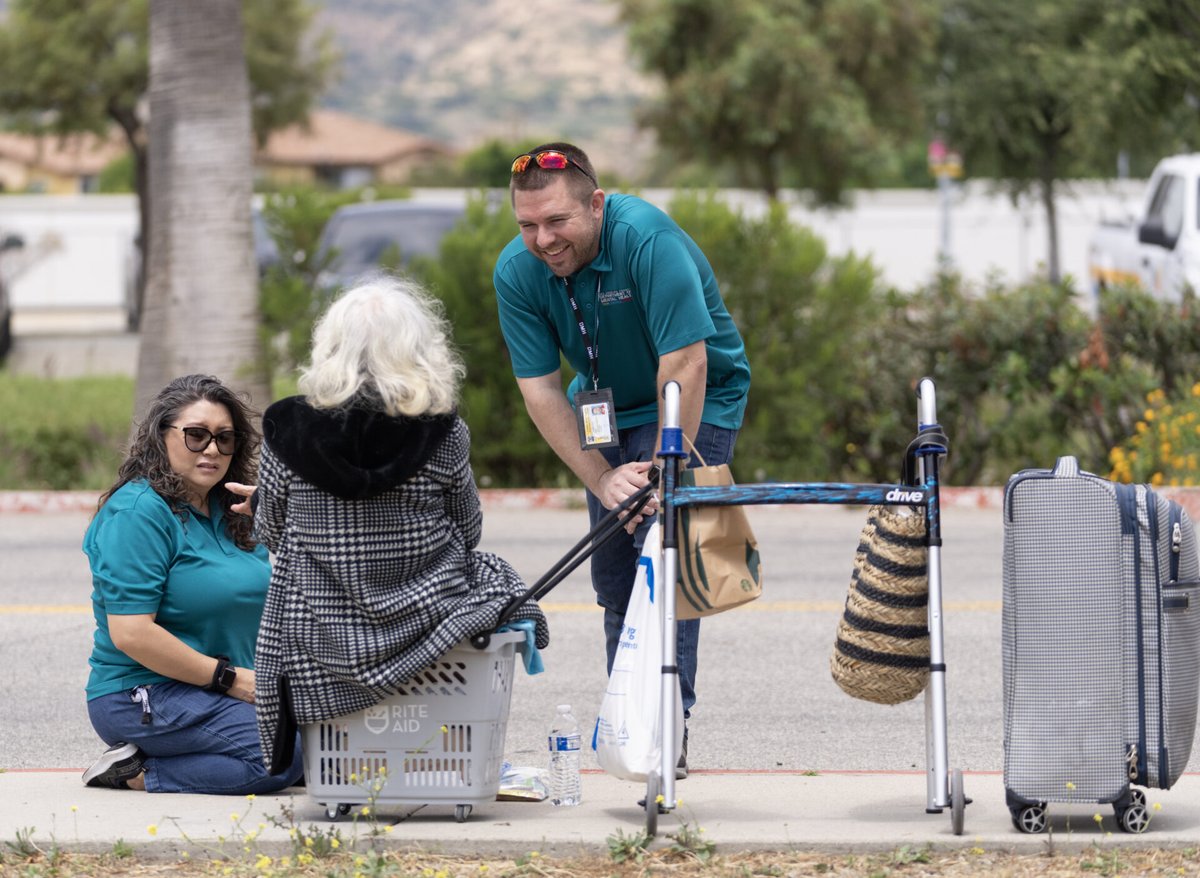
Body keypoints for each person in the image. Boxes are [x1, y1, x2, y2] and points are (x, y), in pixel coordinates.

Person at [493, 142, 751, 778]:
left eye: (558, 221)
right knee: (615, 573)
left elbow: (686, 362)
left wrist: (665, 472)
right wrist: (604, 477)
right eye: (528, 225)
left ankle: (666, 724)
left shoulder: (646, 239)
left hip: (697, 392)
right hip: (603, 403)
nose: (543, 240)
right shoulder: (516, 271)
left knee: (665, 561)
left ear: (597, 204)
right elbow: (541, 388)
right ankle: (628, 718)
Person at [242, 276, 549, 775]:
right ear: (419, 349)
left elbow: (272, 531)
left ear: (331, 347)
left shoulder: (285, 431)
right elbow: (469, 530)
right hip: (432, 618)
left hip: (321, 629)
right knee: (496, 574)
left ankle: (340, 774)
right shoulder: (444, 430)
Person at [81, 374, 304, 794]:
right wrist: (230, 680)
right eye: (196, 436)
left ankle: (180, 753)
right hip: (142, 693)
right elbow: (131, 633)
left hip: (223, 688)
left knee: (328, 742)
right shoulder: (137, 513)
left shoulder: (234, 507)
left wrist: (279, 509)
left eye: (225, 438)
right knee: (281, 758)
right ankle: (135, 772)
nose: (213, 450)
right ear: (161, 437)